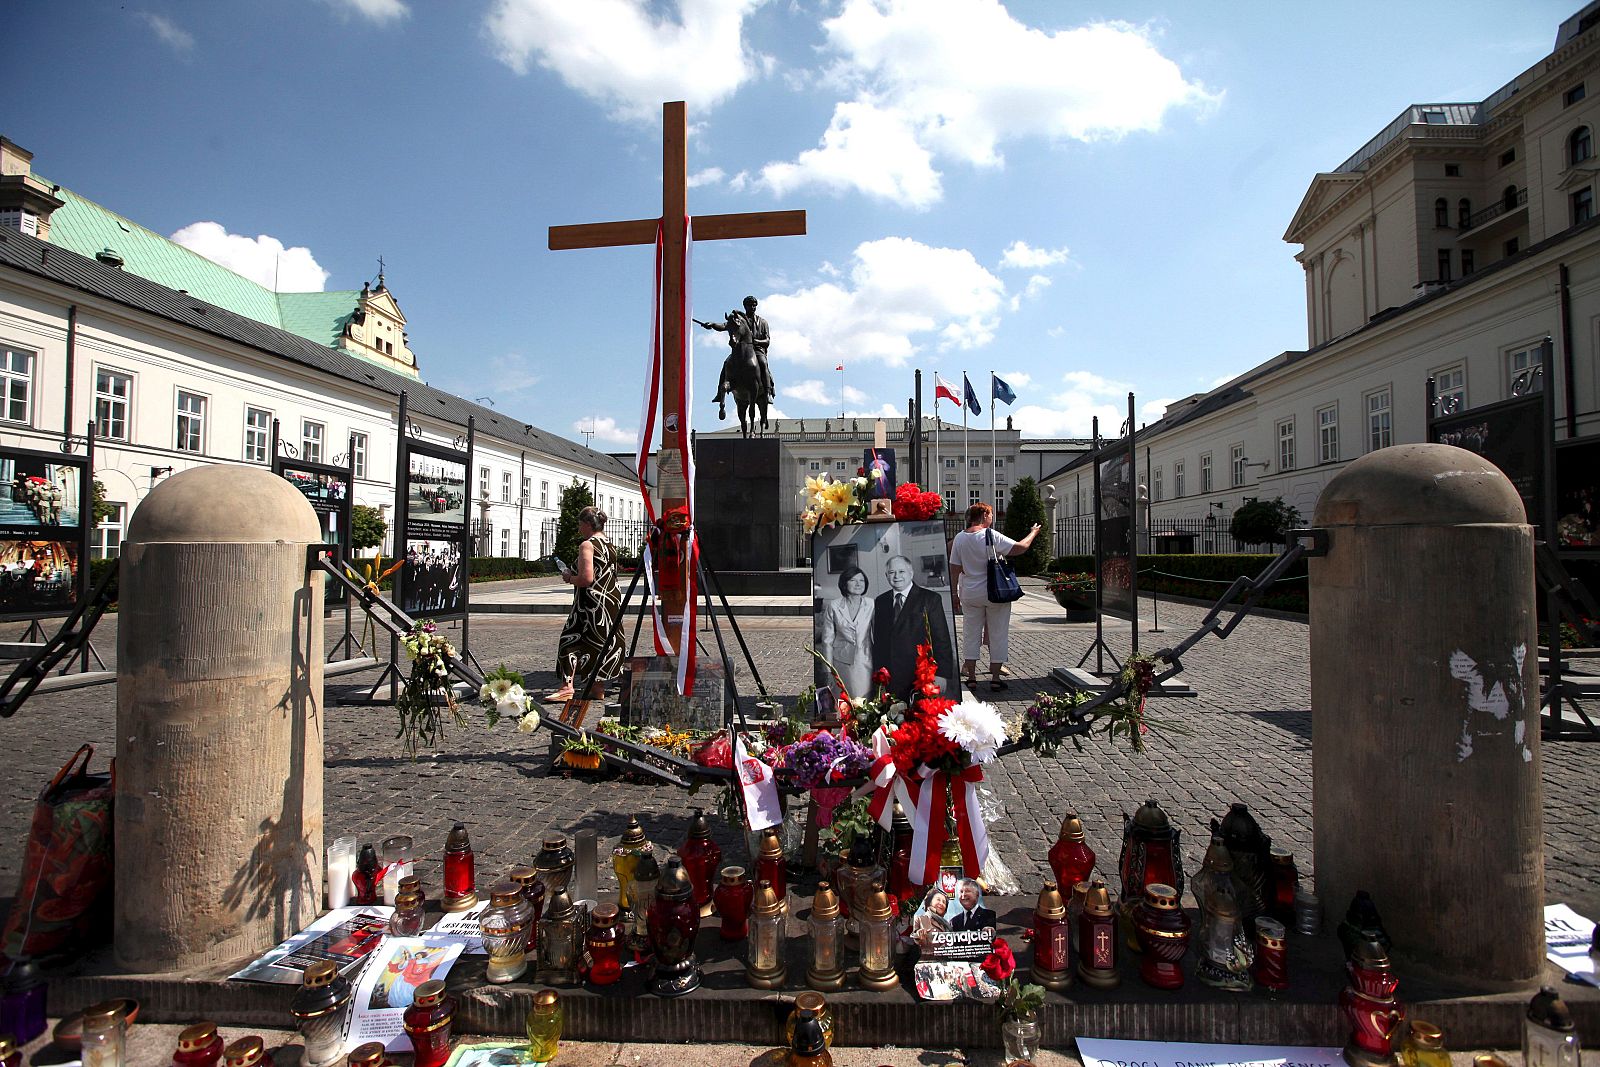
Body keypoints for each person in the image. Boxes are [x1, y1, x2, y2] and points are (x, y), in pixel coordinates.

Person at [947, 502, 1040, 692]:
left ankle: (971, 677)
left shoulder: (959, 538)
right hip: (995, 592)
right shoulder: (990, 535)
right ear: (984, 516)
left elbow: (954, 568)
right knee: (998, 633)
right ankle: (995, 678)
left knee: (970, 633)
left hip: (970, 593)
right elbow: (1020, 548)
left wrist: (954, 593)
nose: (992, 519)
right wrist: (1033, 533)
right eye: (990, 516)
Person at [545, 506, 624, 703]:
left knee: (569, 641)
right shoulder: (608, 543)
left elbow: (587, 579)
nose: (579, 528)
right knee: (598, 643)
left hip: (591, 604)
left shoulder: (587, 545)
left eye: (580, 525)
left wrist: (569, 577)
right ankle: (596, 688)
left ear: (588, 525)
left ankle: (566, 687)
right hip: (610, 601)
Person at [870, 553, 955, 700]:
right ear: (886, 575)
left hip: (920, 675)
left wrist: (942, 674)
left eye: (901, 571)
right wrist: (878, 674)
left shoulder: (930, 599)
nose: (897, 576)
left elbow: (942, 639)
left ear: (911, 573)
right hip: (890, 676)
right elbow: (879, 641)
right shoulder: (881, 601)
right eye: (892, 572)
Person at [699, 295, 773, 413]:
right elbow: (724, 326)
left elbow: (767, 341)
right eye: (749, 305)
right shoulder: (738, 320)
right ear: (745, 306)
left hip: (757, 350)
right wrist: (712, 324)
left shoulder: (763, 322)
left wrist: (756, 341)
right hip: (740, 351)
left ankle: (768, 392)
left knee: (763, 363)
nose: (752, 307)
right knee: (726, 363)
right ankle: (719, 393)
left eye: (754, 305)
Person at [821, 564, 875, 699]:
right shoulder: (833, 606)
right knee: (843, 703)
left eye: (861, 581)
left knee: (865, 702)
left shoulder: (872, 604)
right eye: (853, 580)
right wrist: (827, 670)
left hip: (866, 661)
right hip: (841, 663)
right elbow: (827, 640)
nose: (858, 584)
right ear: (845, 583)